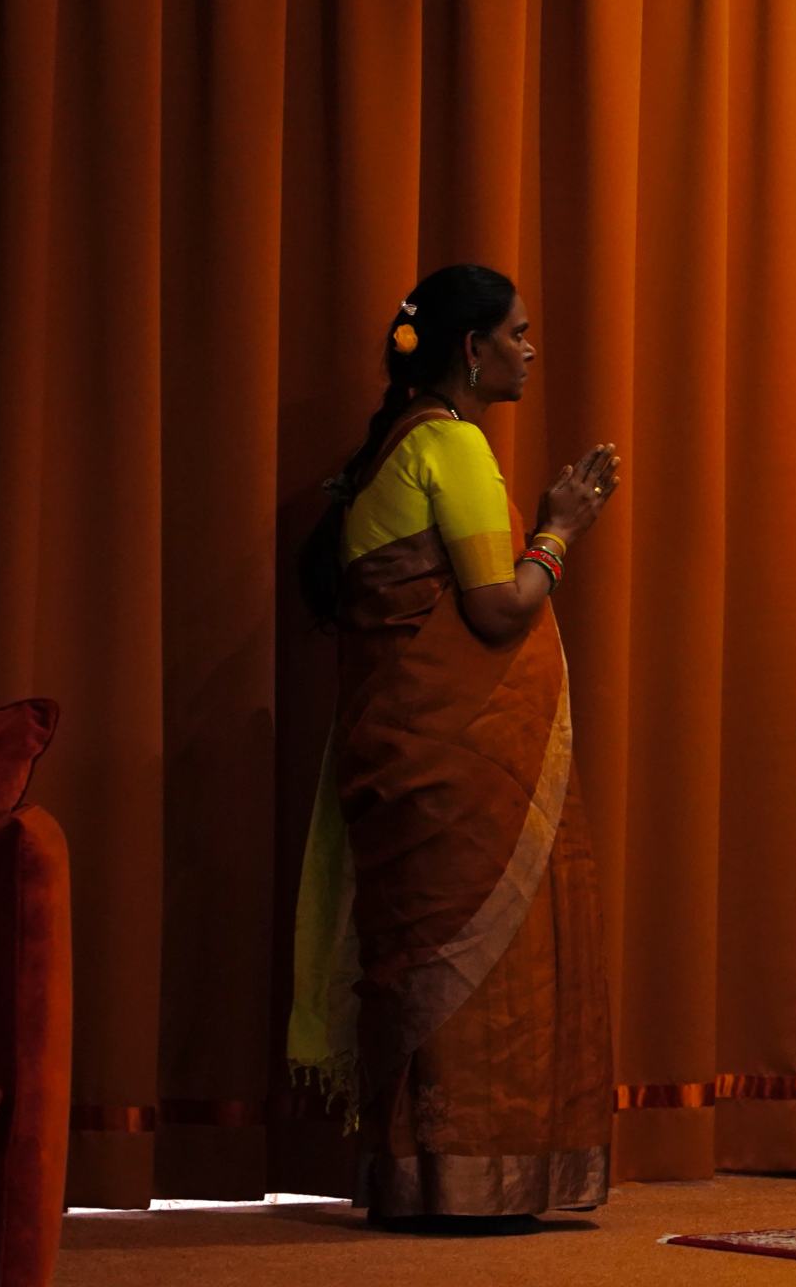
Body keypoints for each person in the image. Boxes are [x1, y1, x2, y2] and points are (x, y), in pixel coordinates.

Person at [289, 263, 620, 1225]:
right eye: (516, 333)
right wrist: (559, 531)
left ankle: (426, 1178)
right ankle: (470, 1179)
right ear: (472, 351)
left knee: (425, 956)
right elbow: (497, 608)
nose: (529, 350)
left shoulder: (396, 445)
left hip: (413, 750)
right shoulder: (452, 445)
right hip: (459, 759)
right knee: (475, 960)